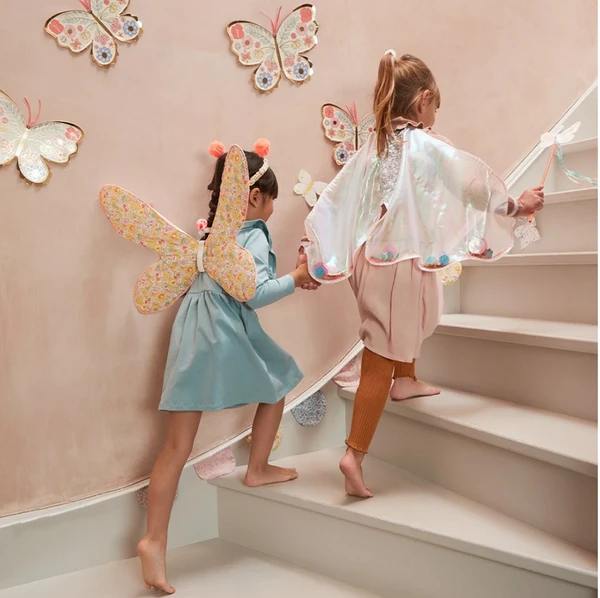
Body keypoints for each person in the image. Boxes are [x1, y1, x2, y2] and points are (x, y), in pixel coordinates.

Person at [302, 51, 545, 498]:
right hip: (393, 264)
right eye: (435, 107)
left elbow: (336, 200)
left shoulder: (375, 146)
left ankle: (406, 379)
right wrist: (516, 205)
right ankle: (354, 454)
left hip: (377, 258)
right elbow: (470, 186)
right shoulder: (423, 145)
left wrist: (316, 248)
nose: (435, 117)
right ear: (423, 101)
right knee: (381, 350)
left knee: (415, 316)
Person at [137, 140, 315, 593]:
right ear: (254, 197)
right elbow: (253, 293)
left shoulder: (208, 237)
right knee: (279, 381)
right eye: (272, 200)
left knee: (175, 446)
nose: (272, 209)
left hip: (190, 331)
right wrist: (296, 278)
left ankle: (154, 541)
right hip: (224, 330)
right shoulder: (253, 232)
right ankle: (258, 467)